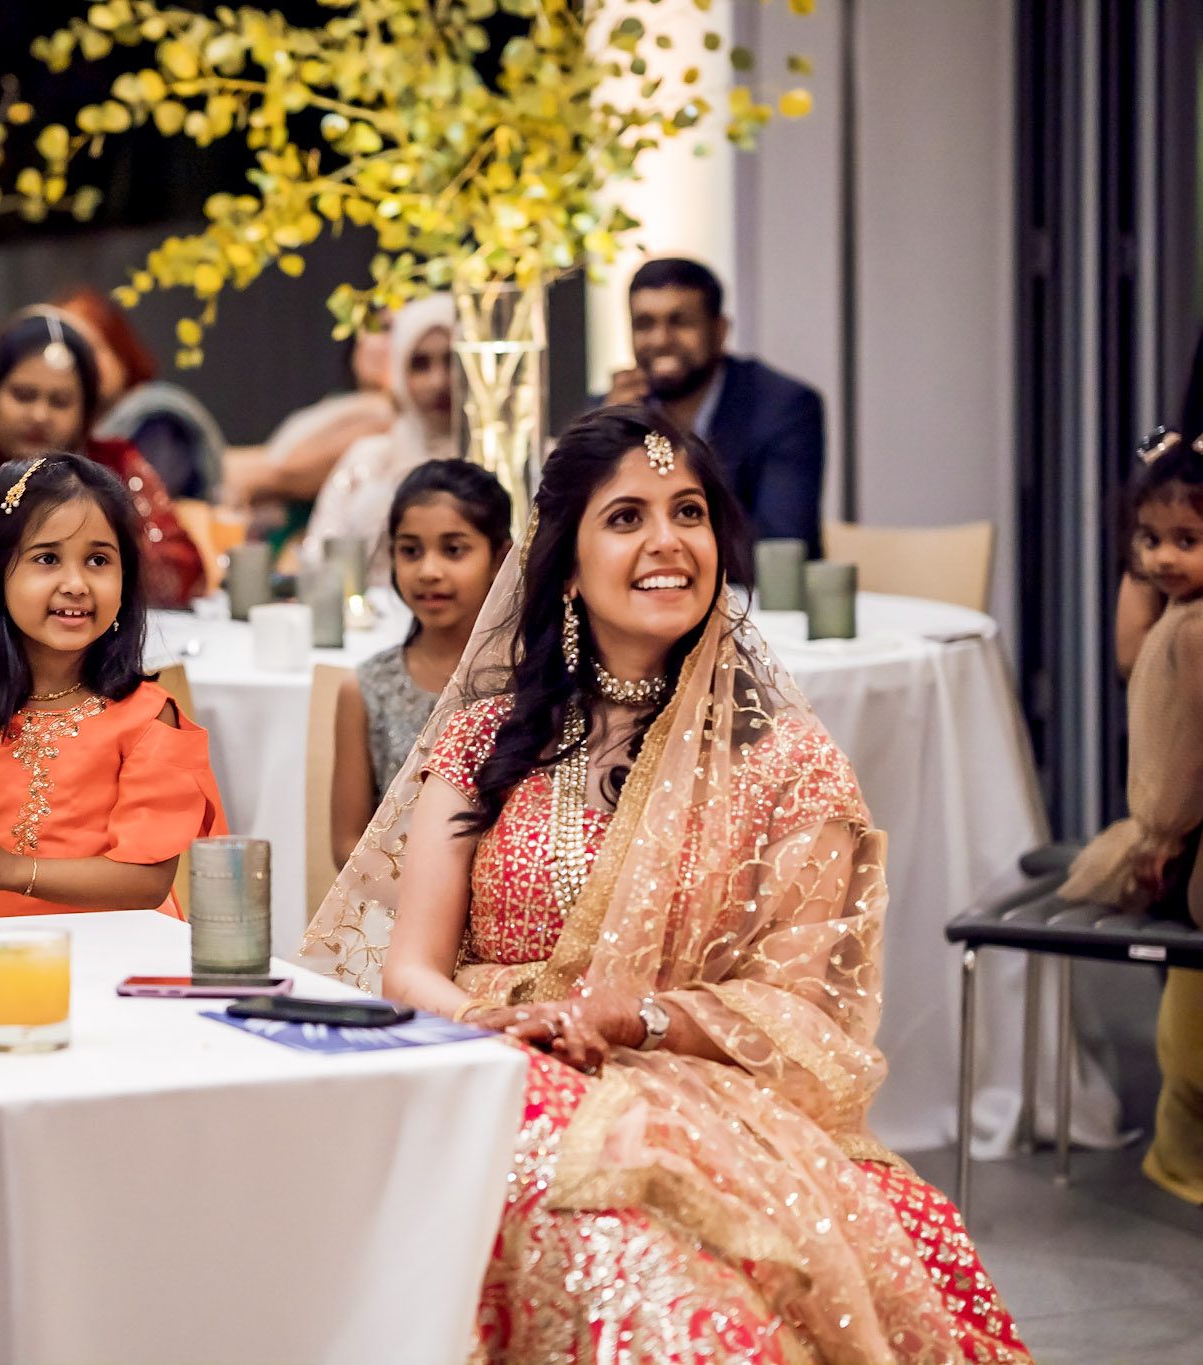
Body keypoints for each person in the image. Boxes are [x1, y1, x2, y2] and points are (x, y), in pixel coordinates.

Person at [304, 408, 1027, 1363]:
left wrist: (637, 1019)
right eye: (626, 517)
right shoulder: (482, 740)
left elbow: (803, 1016)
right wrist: (500, 1028)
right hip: (485, 1058)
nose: (667, 541)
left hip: (692, 1084)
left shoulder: (789, 767)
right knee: (556, 1181)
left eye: (688, 512)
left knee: (684, 1225)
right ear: (564, 563)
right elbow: (412, 971)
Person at [0, 453, 226, 919]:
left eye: (98, 560)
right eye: (47, 558)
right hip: (0, 956)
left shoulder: (146, 716)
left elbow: (145, 881)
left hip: (119, 962)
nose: (75, 583)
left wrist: (9, 869)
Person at [1061, 429, 1203, 1204]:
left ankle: (1185, 1147)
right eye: (1150, 540)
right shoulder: (1180, 618)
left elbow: (1183, 766)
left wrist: (1158, 833)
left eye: (1188, 541)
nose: (1162, 560)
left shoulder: (1193, 631)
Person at [0, 309, 205, 607]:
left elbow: (184, 574)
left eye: (60, 402)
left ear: (85, 412)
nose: (40, 415)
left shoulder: (116, 467)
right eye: (24, 395)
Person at [330, 460, 510, 867]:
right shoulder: (366, 687)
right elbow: (345, 845)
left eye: (453, 550)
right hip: (396, 910)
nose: (429, 571)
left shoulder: (531, 680)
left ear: (501, 558)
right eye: (410, 551)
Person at [604, 257, 827, 554]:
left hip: (750, 599)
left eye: (679, 322)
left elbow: (782, 545)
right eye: (644, 324)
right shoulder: (611, 412)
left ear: (720, 331)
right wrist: (609, 438)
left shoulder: (782, 407)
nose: (660, 340)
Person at [301, 293, 455, 579]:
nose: (439, 381)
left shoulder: (509, 457)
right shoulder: (370, 458)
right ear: (399, 371)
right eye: (420, 364)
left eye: (451, 361)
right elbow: (318, 560)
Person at [53, 285, 226, 501]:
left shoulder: (156, 418)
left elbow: (145, 509)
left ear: (119, 347)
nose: (83, 363)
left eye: (93, 349)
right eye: (69, 352)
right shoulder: (69, 427)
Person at [219, 321, 395, 516]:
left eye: (395, 331)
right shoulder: (346, 402)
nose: (378, 342)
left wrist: (198, 465)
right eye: (378, 327)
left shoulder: (383, 417)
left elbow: (284, 473)